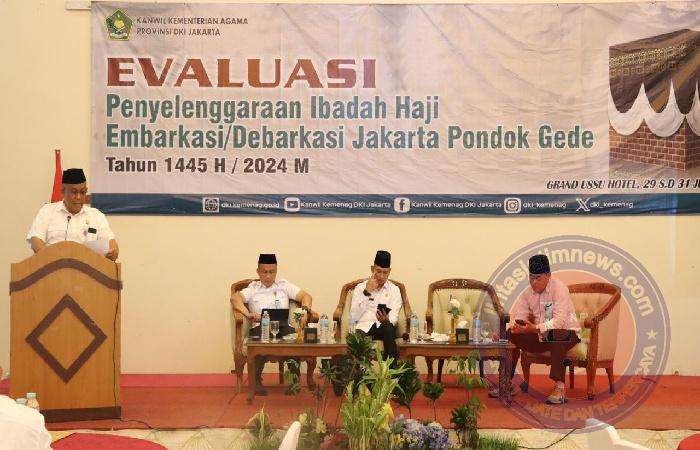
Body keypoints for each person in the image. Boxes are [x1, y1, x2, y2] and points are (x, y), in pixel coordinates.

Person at [230, 253, 312, 395]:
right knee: (259, 341)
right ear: (258, 271)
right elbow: (235, 298)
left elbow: (306, 296)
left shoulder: (284, 286)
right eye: (264, 272)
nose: (268, 276)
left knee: (294, 340)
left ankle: (294, 381)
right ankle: (256, 382)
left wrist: (305, 310)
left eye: (272, 272)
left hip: (284, 327)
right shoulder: (253, 288)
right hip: (261, 327)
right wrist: (247, 314)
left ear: (276, 271)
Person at [506, 254, 581, 404]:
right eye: (531, 278)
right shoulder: (527, 293)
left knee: (555, 334)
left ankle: (560, 388)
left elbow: (559, 322)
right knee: (510, 334)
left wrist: (535, 328)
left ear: (548, 275)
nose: (533, 282)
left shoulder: (559, 289)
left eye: (537, 278)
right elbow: (520, 317)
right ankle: (506, 382)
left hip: (567, 334)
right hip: (542, 335)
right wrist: (517, 328)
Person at [26, 168, 119, 261]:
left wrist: (112, 253)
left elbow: (112, 245)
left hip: (87, 267)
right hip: (53, 266)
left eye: (82, 192)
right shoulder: (47, 211)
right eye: (74, 192)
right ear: (63, 191)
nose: (78, 197)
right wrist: (53, 260)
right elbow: (36, 241)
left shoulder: (96, 215)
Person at [349, 250, 403, 359]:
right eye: (378, 271)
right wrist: (367, 292)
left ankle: (391, 368)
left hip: (384, 327)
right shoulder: (360, 288)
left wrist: (386, 320)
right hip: (364, 326)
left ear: (389, 271)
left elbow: (394, 316)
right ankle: (356, 370)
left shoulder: (394, 290)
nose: (381, 276)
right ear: (372, 269)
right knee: (357, 338)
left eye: (385, 272)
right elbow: (354, 316)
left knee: (389, 328)